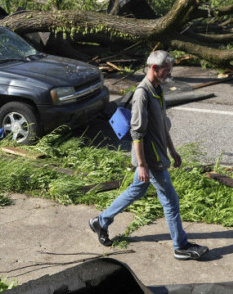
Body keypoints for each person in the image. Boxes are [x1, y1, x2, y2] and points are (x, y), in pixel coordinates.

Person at [89, 50, 209, 261]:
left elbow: (162, 124)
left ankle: (101, 220)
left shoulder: (157, 89)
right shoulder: (142, 94)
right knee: (170, 201)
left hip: (158, 154)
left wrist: (172, 149)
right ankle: (180, 246)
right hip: (151, 159)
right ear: (154, 68)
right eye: (166, 70)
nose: (169, 74)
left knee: (136, 190)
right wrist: (142, 164)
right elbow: (137, 133)